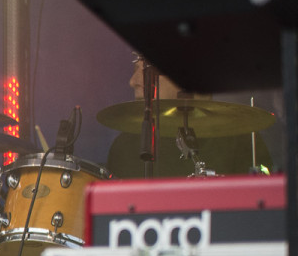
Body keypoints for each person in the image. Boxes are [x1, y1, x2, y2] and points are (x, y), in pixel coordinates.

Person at [105, 55, 273, 178]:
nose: (133, 81)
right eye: (136, 69)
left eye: (147, 71)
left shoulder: (240, 139)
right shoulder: (125, 148)